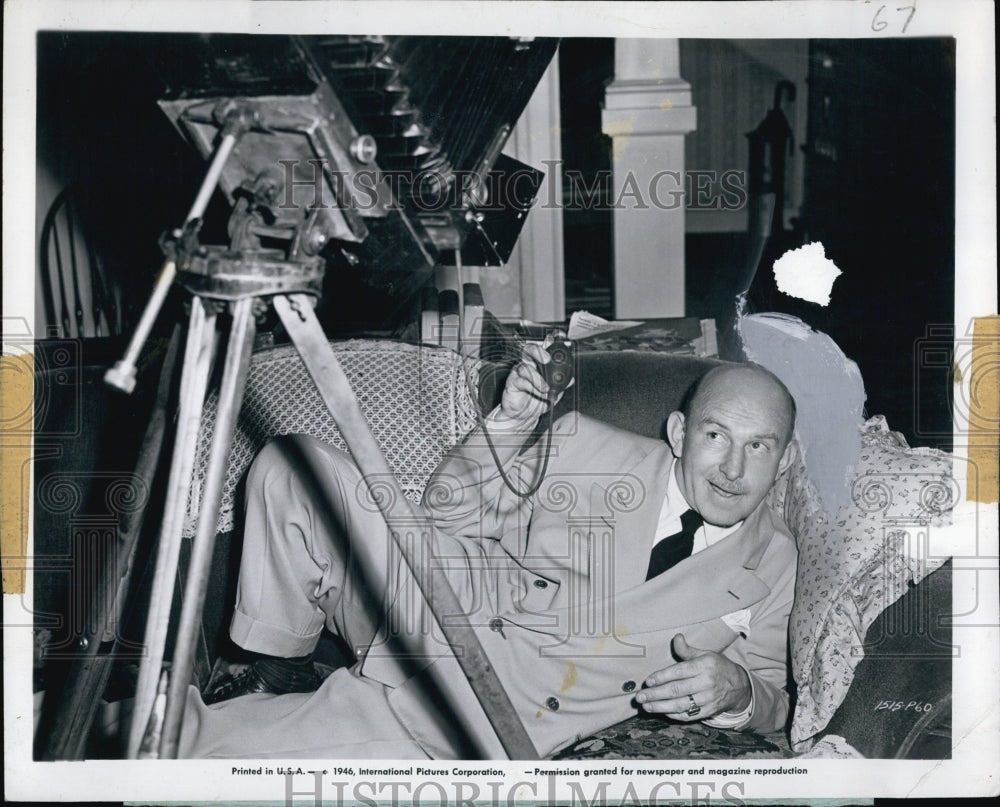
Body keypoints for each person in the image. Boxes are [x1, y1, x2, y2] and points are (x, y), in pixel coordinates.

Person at [178, 349, 798, 759]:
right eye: (716, 436)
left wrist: (736, 687)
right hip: (436, 592)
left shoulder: (774, 562)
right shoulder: (584, 444)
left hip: (484, 704)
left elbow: (773, 698)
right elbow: (447, 513)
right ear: (679, 433)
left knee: (194, 751)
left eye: (759, 446)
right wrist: (508, 422)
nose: (733, 467)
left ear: (783, 460)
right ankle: (270, 664)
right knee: (294, 465)